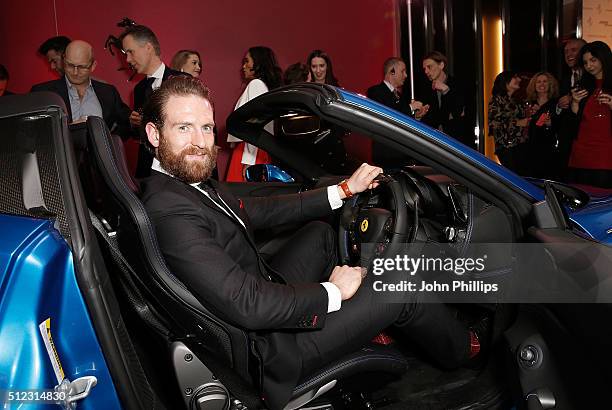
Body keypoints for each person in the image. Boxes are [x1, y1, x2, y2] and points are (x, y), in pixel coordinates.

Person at [140, 76, 485, 410]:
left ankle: (366, 322)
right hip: (271, 351)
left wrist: (343, 191)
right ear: (155, 134)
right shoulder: (170, 213)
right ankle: (462, 348)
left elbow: (259, 211)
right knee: (398, 286)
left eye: (206, 128)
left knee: (320, 235)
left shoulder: (187, 186)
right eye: (184, 128)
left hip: (262, 300)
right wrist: (332, 293)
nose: (200, 141)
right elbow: (249, 305)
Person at [120, 24, 186, 178]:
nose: (128, 59)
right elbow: (140, 137)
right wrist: (135, 123)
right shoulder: (139, 89)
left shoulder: (181, 81)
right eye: (125, 54)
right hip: (147, 173)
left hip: (178, 170)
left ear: (148, 47)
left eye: (130, 52)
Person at [30, 40, 131, 134]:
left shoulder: (108, 92)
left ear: (93, 66)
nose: (75, 72)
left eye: (82, 67)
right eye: (70, 65)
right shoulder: (43, 93)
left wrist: (108, 141)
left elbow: (126, 124)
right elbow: (31, 133)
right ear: (63, 61)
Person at [226, 46, 282, 181]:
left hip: (250, 152)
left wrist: (249, 160)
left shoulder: (256, 84)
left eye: (247, 61)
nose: (243, 66)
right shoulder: (263, 86)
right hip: (255, 150)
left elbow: (254, 125)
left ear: (257, 63)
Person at [367, 57, 429, 168]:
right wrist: (411, 107)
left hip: (403, 155)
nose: (406, 75)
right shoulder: (376, 92)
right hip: (387, 155)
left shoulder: (400, 96)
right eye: (403, 71)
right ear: (392, 71)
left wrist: (416, 117)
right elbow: (387, 116)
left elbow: (403, 120)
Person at [567, 41, 612, 189]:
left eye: (593, 60)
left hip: (605, 155)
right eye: (585, 62)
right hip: (580, 154)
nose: (589, 66)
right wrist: (574, 103)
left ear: (603, 58)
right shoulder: (584, 86)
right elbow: (573, 123)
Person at [419, 51, 468, 145]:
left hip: (456, 142)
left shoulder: (457, 85)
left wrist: (446, 90)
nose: (426, 71)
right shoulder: (425, 90)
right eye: (424, 69)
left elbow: (458, 112)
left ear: (441, 65)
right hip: (433, 143)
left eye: (429, 67)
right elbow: (428, 119)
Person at [488, 71, 531, 175]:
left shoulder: (517, 100)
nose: (519, 80)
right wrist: (517, 122)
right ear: (505, 82)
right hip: (507, 148)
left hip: (521, 145)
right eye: (515, 77)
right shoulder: (497, 100)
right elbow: (494, 124)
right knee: (515, 177)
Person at [556, 38, 587, 181]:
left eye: (573, 50)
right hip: (567, 143)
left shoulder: (594, 78)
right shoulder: (564, 80)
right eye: (566, 52)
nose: (569, 54)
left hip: (588, 140)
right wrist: (559, 105)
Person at [524, 72, 560, 179]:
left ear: (550, 85)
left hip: (549, 150)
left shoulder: (556, 103)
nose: (541, 84)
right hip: (530, 149)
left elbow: (562, 126)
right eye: (538, 82)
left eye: (545, 81)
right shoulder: (529, 103)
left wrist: (550, 124)